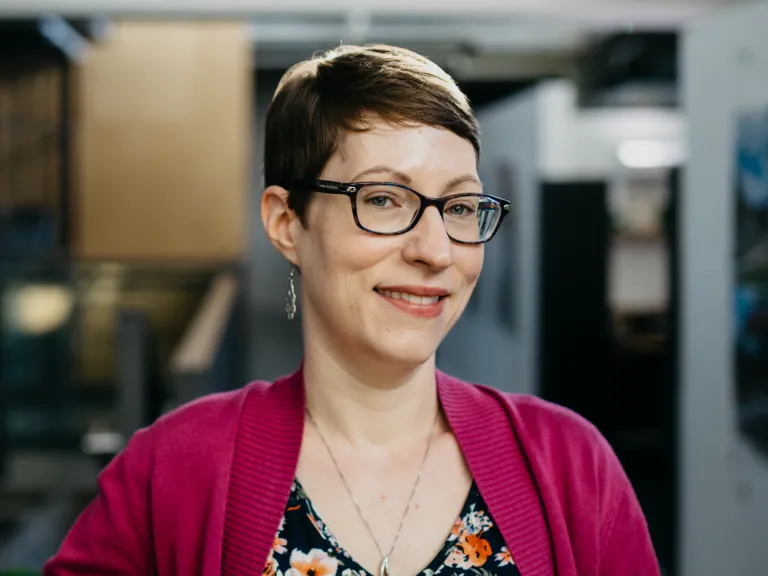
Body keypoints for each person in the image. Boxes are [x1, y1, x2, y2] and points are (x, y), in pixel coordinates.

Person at [44, 44, 660, 576]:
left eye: (462, 207)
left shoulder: (571, 466)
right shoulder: (173, 470)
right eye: (386, 200)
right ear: (287, 224)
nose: (435, 250)